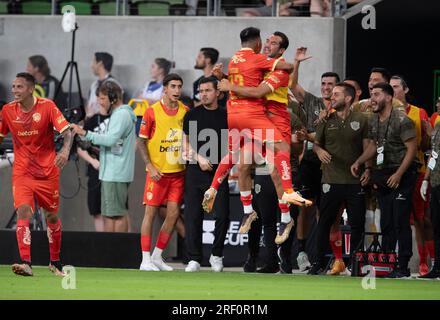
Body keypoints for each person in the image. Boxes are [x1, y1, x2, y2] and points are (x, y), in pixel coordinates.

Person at [203, 27, 311, 239]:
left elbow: (257, 91)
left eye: (273, 43)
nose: (267, 45)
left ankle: (286, 219)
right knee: (242, 164)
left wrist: (296, 63)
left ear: (280, 50)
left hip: (276, 121)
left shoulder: (278, 71)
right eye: (267, 41)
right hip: (257, 120)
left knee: (274, 173)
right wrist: (223, 76)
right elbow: (244, 81)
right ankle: (246, 212)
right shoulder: (260, 63)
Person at [0, 72, 73, 277]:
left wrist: (65, 151)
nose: (14, 90)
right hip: (22, 172)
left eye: (19, 87)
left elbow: (67, 131)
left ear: (31, 89)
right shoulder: (7, 111)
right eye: (13, 87)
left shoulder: (47, 107)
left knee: (51, 216)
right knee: (23, 210)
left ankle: (55, 262)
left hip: (47, 172)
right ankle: (26, 263)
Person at [351, 82, 417, 278]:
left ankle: (403, 265)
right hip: (383, 171)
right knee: (386, 219)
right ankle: (389, 262)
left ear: (389, 97)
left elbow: (412, 150)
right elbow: (373, 146)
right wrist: (360, 161)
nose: (373, 98)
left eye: (377, 94)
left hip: (404, 172)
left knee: (400, 219)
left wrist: (399, 174)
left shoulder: (402, 119)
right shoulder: (373, 119)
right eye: (372, 94)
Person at [308, 83, 369, 275]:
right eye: (331, 94)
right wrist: (319, 152)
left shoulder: (361, 119)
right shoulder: (326, 119)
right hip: (330, 179)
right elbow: (316, 144)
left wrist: (367, 168)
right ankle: (317, 263)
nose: (332, 97)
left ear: (348, 98)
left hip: (354, 180)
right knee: (324, 222)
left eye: (336, 94)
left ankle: (356, 265)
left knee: (357, 223)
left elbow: (368, 147)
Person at [289, 46, 340, 271]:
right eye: (324, 84)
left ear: (338, 88)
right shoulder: (312, 102)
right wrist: (297, 62)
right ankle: (301, 251)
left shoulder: (342, 108)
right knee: (304, 206)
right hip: (310, 162)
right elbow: (292, 86)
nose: (326, 87)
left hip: (332, 164)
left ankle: (323, 255)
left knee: (326, 211)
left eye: (330, 84)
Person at [137, 73, 188, 271]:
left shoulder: (185, 111)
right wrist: (149, 165)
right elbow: (141, 140)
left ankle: (158, 256)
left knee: (173, 215)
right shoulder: (151, 112)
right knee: (149, 214)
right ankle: (145, 259)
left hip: (177, 173)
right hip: (157, 173)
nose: (177, 90)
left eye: (179, 86)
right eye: (173, 86)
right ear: (165, 89)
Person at [72, 80, 136, 233]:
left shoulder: (121, 115)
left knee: (117, 215)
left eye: (102, 98)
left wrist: (85, 133)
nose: (99, 102)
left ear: (113, 98)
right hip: (112, 171)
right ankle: (111, 251)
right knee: (109, 214)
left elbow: (111, 140)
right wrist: (91, 148)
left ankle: (118, 253)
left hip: (116, 173)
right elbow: (114, 144)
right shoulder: (119, 115)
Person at [182, 76, 230, 272]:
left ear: (218, 92)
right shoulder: (192, 114)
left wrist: (226, 168)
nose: (203, 94)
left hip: (219, 174)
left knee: (223, 215)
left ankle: (217, 255)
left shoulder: (227, 115)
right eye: (201, 91)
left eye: (207, 90)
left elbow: (232, 145)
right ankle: (194, 259)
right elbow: (185, 143)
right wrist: (199, 158)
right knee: (193, 215)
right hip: (195, 170)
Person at [390, 75, 434, 275]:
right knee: (397, 218)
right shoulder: (385, 112)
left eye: (396, 87)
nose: (393, 90)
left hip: (417, 171)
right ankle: (395, 262)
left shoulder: (419, 112)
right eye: (390, 87)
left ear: (405, 90)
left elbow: (427, 146)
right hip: (392, 171)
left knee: (421, 218)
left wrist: (427, 135)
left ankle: (426, 261)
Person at [76, 100, 110, 232]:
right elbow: (80, 147)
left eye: (103, 98)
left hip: (112, 170)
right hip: (95, 169)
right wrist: (93, 161)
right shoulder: (91, 121)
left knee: (114, 212)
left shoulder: (118, 118)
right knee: (96, 209)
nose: (100, 102)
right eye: (99, 98)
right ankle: (102, 244)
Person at [419, 121, 440, 278]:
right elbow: (434, 154)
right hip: (436, 182)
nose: (438, 106)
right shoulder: (438, 126)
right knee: (437, 225)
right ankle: (437, 267)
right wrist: (426, 179)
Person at [86, 52, 120, 119]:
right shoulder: (94, 85)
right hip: (91, 120)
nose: (92, 66)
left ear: (100, 64)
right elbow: (88, 105)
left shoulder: (113, 84)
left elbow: (115, 108)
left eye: (94, 62)